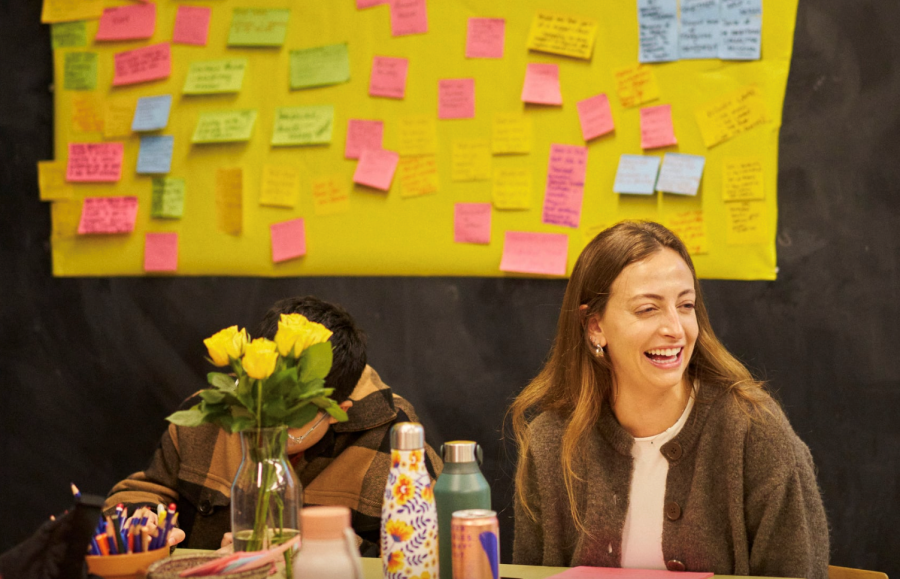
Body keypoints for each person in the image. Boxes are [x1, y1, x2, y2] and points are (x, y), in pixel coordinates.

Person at [509, 221, 829, 578]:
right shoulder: (552, 442)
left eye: (686, 305)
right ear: (595, 326)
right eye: (648, 309)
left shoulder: (754, 432)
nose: (676, 329)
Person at [105, 296, 442, 555]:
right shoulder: (210, 413)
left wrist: (317, 547)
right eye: (261, 399)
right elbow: (142, 490)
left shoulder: (397, 440)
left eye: (293, 412)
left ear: (337, 411)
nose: (268, 421)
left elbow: (433, 550)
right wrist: (141, 519)